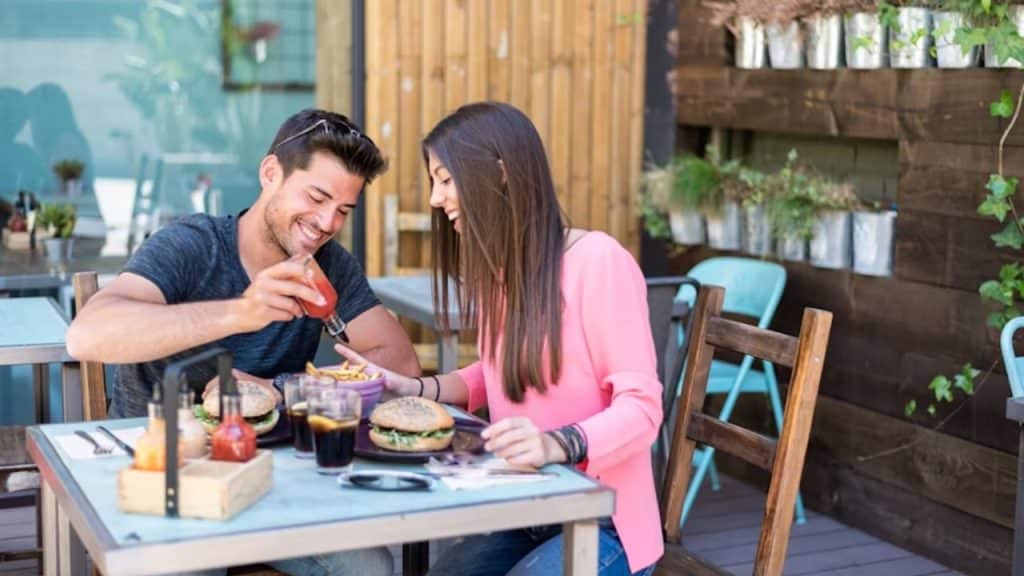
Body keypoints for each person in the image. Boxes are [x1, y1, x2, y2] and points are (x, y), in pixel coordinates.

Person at [67, 109, 422, 576]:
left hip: (269, 482)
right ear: (270, 172)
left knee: (369, 567)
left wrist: (286, 389)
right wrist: (242, 311)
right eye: (316, 197)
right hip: (167, 481)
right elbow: (87, 335)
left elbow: (401, 363)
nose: (326, 222)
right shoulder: (192, 245)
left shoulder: (327, 264)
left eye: (343, 210)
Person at [338, 102, 664, 576]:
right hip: (527, 510)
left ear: (500, 174)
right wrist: (415, 389)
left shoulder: (599, 261)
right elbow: (495, 376)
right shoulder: (502, 273)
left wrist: (557, 444)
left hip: (603, 522)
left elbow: (643, 409)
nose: (435, 198)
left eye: (446, 179)